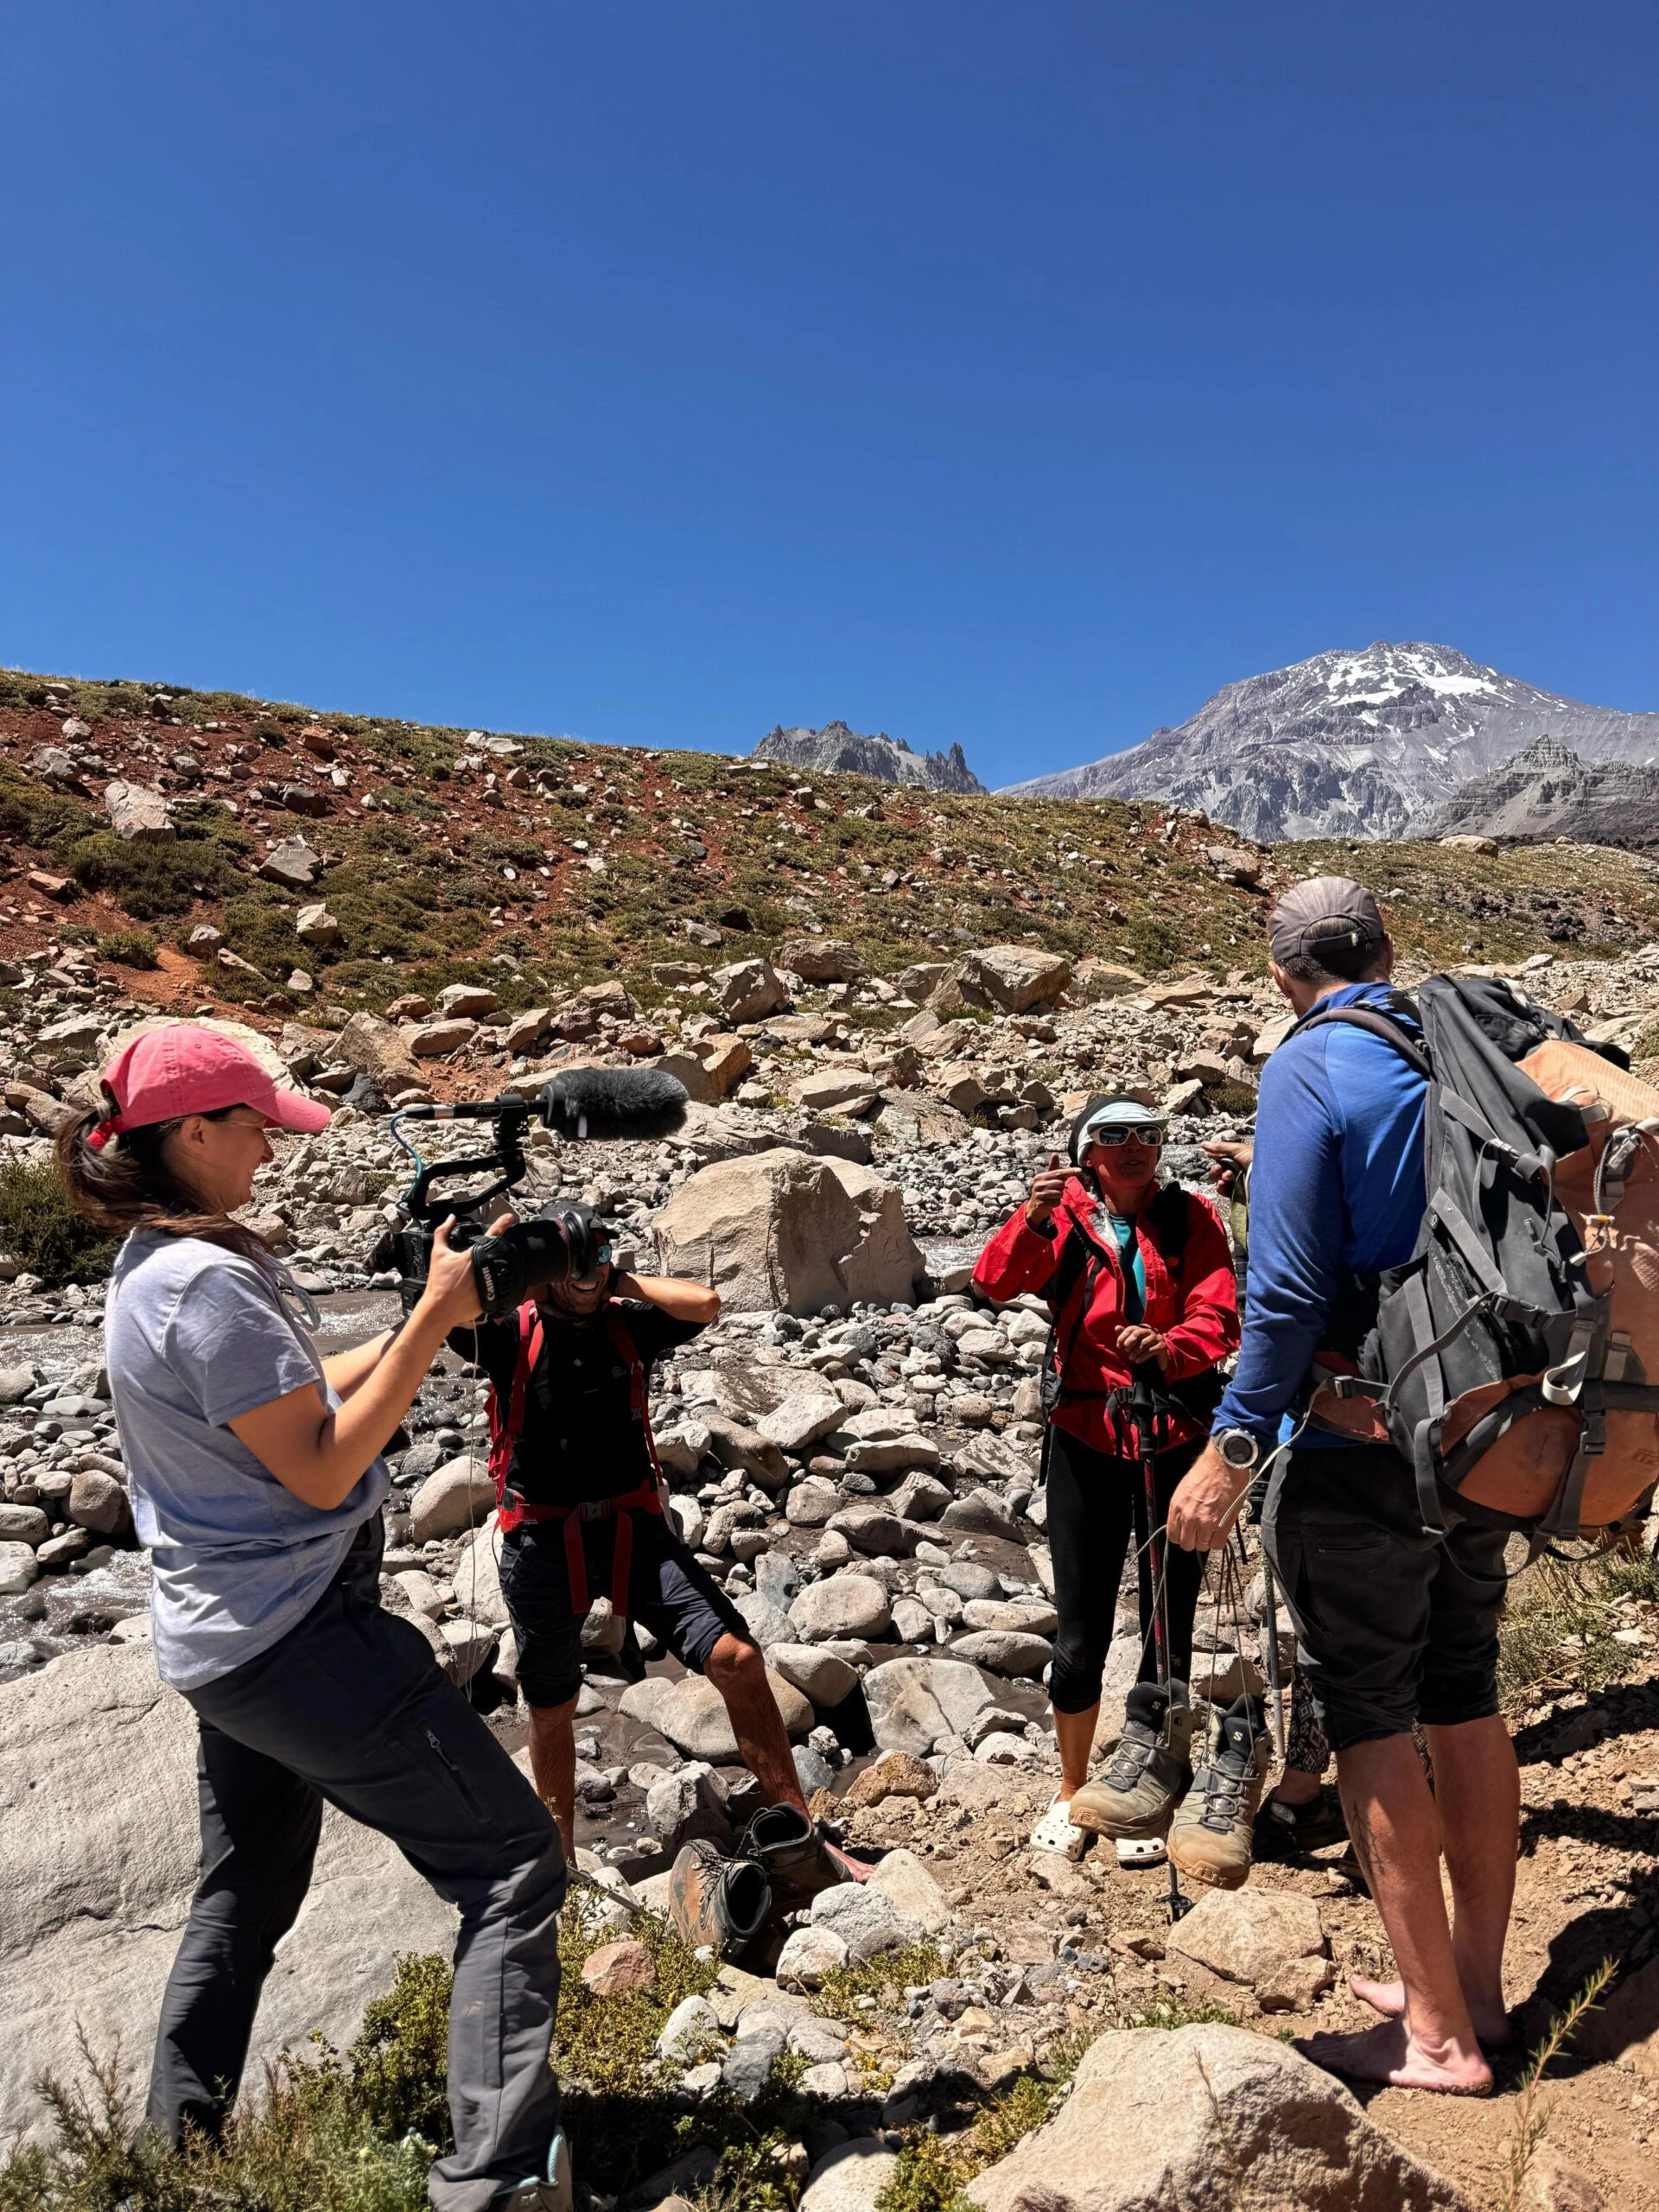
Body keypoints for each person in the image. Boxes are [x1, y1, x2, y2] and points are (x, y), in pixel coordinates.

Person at [61, 1022, 572, 2212]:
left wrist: (411, 1329)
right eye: (252, 1129)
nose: (269, 1152)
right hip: (301, 1635)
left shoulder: (159, 1260)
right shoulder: (205, 1283)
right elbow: (324, 1468)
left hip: (223, 1639)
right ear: (190, 1132)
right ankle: (493, 2179)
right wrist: (442, 1318)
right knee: (509, 1865)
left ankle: (170, 2159)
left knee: (242, 1893)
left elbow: (289, 1396)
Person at [1168, 878, 1517, 2096]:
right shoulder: (1451, 1044)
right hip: (1482, 1434)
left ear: (1282, 975)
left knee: (1371, 1720)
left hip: (1360, 1444)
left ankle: (1434, 2037)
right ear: (1385, 950)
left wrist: (1228, 1448)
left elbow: (1285, 1299)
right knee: (1465, 1700)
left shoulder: (1310, 1065)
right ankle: (1475, 1984)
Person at [446, 1214, 853, 1946]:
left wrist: (615, 1279)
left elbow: (705, 1304)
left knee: (737, 1657)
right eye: (573, 1261)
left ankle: (800, 1839)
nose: (588, 1271)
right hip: (541, 1538)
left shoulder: (629, 1324)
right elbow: (444, 1306)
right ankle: (560, 1862)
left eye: (598, 1256)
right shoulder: (509, 1335)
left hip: (632, 1532)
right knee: (551, 1704)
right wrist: (493, 1259)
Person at [973, 1096, 1239, 1859]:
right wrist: (1030, 1216)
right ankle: (1071, 1786)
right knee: (1082, 1625)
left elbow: (1218, 1314)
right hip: (1087, 1436)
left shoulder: (1190, 1218)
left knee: (1169, 1614)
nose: (1135, 1148)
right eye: (1115, 1136)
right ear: (1086, 1150)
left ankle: (1151, 1776)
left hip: (1174, 1435)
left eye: (1149, 1136)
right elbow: (994, 1283)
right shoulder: (1059, 1214)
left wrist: (1170, 1346)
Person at [1201, 1135, 1348, 1862]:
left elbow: (1283, 1298)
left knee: (1328, 1630)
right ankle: (1312, 1789)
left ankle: (1310, 1796)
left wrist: (1237, 1439)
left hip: (1325, 1433)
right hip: (1384, 1425)